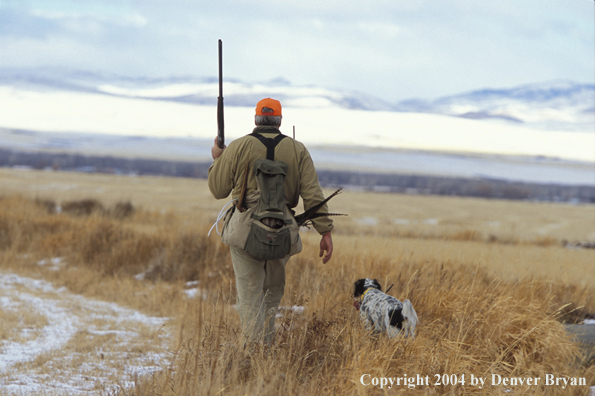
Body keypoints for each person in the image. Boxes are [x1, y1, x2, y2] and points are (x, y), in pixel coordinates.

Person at [208, 97, 334, 345]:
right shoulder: (297, 149)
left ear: (256, 119)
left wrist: (218, 159)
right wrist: (325, 232)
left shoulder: (238, 146)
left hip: (244, 232)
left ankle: (254, 357)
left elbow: (217, 189)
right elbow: (312, 195)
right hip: (283, 231)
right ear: (280, 121)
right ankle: (264, 354)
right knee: (271, 296)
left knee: (249, 296)